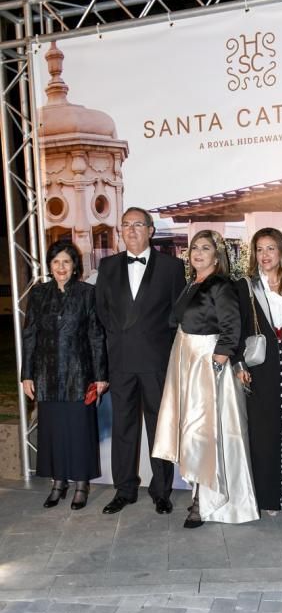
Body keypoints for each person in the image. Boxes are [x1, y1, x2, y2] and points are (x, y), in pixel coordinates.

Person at [153, 229, 259, 528]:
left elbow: (231, 325)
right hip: (186, 359)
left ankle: (206, 501)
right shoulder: (192, 284)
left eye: (205, 248)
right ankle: (199, 493)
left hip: (208, 363)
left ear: (217, 254)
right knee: (192, 430)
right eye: (194, 248)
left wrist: (220, 357)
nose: (197, 253)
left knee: (207, 433)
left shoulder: (221, 284)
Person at [95, 207, 186, 515]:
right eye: (126, 225)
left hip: (156, 362)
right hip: (120, 361)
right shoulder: (107, 266)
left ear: (150, 230)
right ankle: (124, 490)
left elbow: (177, 316)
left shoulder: (172, 268)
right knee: (123, 427)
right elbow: (102, 313)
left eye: (138, 224)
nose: (131, 229)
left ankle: (162, 491)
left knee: (159, 428)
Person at [21, 240, 108, 510]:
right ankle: (59, 482)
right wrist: (27, 375)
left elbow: (96, 336)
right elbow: (30, 336)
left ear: (75, 266)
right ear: (49, 265)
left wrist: (101, 376)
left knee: (80, 431)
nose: (61, 267)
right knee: (53, 431)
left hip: (80, 375)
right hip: (47, 375)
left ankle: (81, 483)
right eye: (56, 262)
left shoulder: (87, 293)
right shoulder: (38, 294)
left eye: (66, 262)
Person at [234, 228, 282, 515]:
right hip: (262, 365)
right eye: (260, 249)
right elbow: (235, 328)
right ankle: (267, 496)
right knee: (264, 431)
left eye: (271, 248)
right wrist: (239, 364)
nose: (265, 255)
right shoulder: (246, 286)